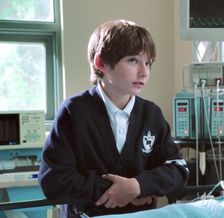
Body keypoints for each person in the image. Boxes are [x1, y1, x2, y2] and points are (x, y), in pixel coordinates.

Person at [38, 19, 189, 217]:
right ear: (101, 63)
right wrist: (117, 191)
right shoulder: (73, 111)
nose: (144, 72)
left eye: (148, 63)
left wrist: (138, 186)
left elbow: (178, 169)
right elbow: (54, 179)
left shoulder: (152, 114)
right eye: (133, 60)